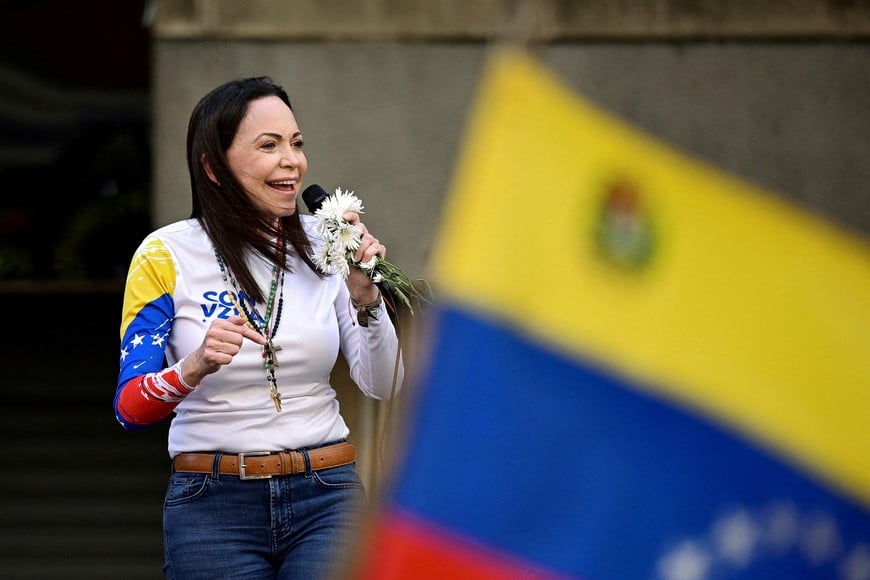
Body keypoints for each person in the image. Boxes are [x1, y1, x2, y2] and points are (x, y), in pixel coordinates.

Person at [113, 76, 404, 579]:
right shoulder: (164, 255)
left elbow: (384, 383)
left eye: (296, 144)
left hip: (327, 496)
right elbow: (130, 408)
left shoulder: (328, 241)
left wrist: (367, 299)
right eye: (268, 146)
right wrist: (195, 365)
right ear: (214, 166)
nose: (292, 160)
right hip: (212, 505)